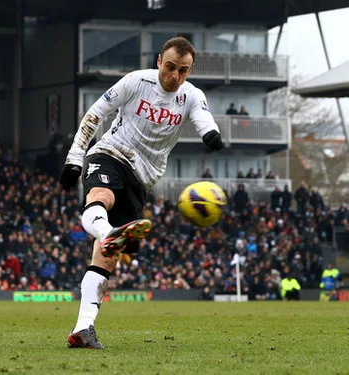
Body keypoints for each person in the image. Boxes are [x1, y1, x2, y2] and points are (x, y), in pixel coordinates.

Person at [59, 36, 223, 349]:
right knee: (101, 199)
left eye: (183, 70)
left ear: (190, 71)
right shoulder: (136, 82)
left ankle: (82, 329)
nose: (175, 75)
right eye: (171, 66)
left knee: (106, 261)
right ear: (160, 60)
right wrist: (75, 158)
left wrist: (210, 133)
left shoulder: (191, 95)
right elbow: (96, 113)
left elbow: (203, 117)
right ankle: (109, 232)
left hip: (142, 178)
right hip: (109, 153)